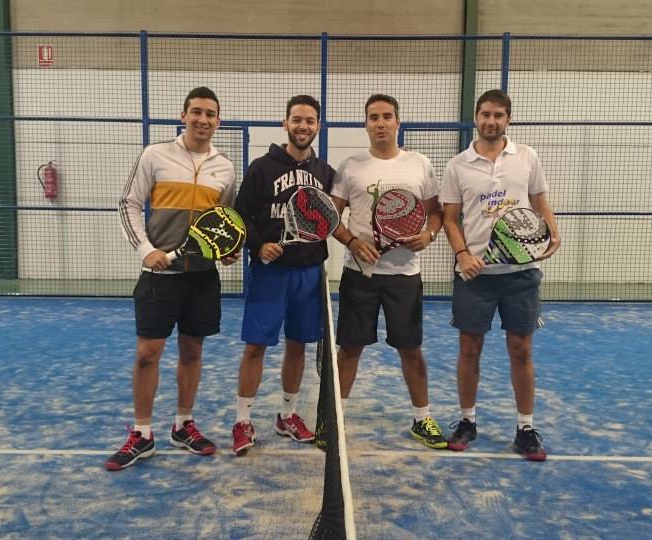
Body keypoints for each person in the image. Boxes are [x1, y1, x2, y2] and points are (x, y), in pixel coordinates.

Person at [107, 87, 238, 470]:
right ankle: (142, 433)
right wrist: (145, 249)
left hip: (202, 278)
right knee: (147, 354)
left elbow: (223, 221)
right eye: (196, 112)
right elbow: (129, 203)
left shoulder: (225, 168)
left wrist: (225, 251)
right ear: (183, 116)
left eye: (210, 114)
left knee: (192, 351)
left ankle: (183, 425)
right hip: (158, 275)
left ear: (218, 121)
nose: (203, 119)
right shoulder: (155, 155)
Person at [440, 89, 561, 461]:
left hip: (521, 273)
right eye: (485, 114)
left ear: (508, 119)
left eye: (498, 115)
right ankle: (467, 421)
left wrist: (553, 232)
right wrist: (462, 255)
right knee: (469, 349)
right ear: (476, 117)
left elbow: (539, 202)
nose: (491, 121)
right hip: (475, 275)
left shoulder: (527, 157)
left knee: (521, 350)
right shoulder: (457, 165)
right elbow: (449, 218)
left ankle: (525, 429)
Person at [330, 94, 447, 449]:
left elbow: (436, 212)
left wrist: (429, 234)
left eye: (386, 116)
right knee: (350, 349)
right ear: (365, 124)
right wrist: (352, 242)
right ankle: (335, 420)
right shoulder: (351, 166)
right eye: (373, 117)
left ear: (398, 122)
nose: (380, 123)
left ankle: (422, 418)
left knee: (410, 349)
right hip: (359, 275)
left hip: (405, 276)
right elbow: (330, 216)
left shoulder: (419, 164)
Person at [229, 95, 336, 456]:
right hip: (269, 273)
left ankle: (287, 415)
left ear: (318, 126)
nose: (303, 126)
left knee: (298, 345)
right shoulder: (261, 168)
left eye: (310, 120)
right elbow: (241, 216)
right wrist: (258, 245)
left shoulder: (326, 173)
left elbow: (328, 219)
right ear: (285, 123)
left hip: (309, 272)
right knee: (256, 345)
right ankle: (242, 420)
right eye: (297, 119)